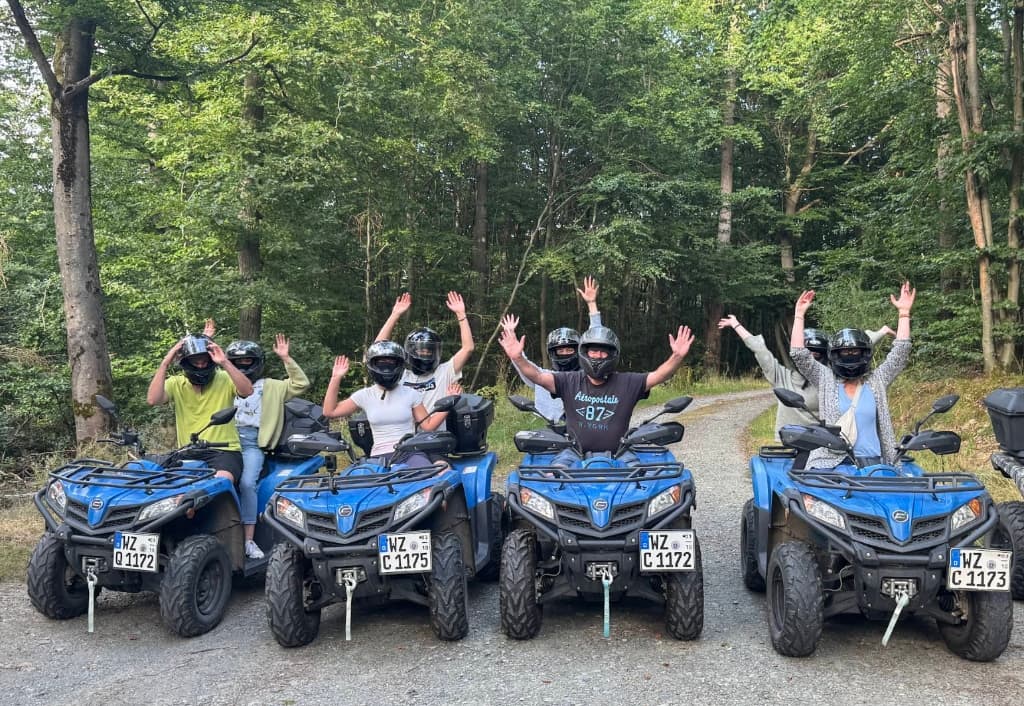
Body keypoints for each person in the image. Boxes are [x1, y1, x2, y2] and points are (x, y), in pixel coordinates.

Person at [499, 322, 695, 465]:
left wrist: (677, 357)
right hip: (574, 452)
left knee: (642, 485)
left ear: (613, 355)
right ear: (585, 353)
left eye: (604, 352)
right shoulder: (568, 380)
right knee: (549, 483)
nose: (598, 356)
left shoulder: (627, 382)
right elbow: (538, 376)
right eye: (593, 351)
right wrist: (518, 358)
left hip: (620, 453)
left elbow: (659, 375)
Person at [788, 283, 915, 469]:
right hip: (832, 463)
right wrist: (799, 315)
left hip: (874, 465)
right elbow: (799, 354)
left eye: (855, 351)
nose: (850, 355)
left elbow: (900, 353)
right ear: (834, 354)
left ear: (865, 353)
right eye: (845, 352)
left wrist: (904, 314)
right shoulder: (826, 379)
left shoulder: (876, 380)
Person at [717, 315, 896, 438]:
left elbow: (850, 348)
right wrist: (736, 324)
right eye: (806, 354)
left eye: (815, 354)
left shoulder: (829, 378)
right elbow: (759, 349)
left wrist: (880, 332)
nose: (809, 359)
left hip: (824, 444)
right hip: (789, 443)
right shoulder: (781, 376)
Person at [218, 332, 310, 560]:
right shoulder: (224, 382)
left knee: (248, 483)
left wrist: (286, 358)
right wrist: (208, 342)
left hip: (252, 443)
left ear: (257, 363)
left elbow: (301, 384)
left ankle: (248, 540)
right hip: (222, 438)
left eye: (247, 361)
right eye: (237, 362)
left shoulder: (271, 386)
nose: (242, 366)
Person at [322, 341, 460, 468]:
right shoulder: (365, 395)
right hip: (378, 457)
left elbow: (428, 426)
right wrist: (336, 378)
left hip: (409, 452)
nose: (386, 365)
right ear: (373, 365)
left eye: (391, 362)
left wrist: (448, 402)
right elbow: (330, 412)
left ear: (399, 365)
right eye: (382, 362)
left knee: (429, 479)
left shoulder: (410, 394)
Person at [146, 334, 253, 485]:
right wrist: (165, 363)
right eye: (196, 361)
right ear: (186, 362)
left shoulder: (224, 378)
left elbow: (247, 390)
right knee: (171, 491)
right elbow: (152, 400)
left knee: (219, 483)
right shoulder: (176, 383)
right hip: (187, 451)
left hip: (224, 451)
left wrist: (225, 362)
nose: (201, 365)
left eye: (204, 361)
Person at [501, 275, 604, 421]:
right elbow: (526, 368)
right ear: (553, 353)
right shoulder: (545, 378)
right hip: (556, 435)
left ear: (579, 350)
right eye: (561, 351)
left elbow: (597, 339)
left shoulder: (589, 375)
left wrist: (592, 305)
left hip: (588, 430)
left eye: (569, 350)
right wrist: (515, 354)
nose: (565, 354)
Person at [375, 291, 474, 411]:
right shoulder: (400, 375)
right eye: (421, 351)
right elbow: (377, 350)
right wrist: (395, 315)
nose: (425, 353)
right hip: (406, 429)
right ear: (411, 351)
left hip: (437, 429)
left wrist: (461, 315)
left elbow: (468, 348)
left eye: (429, 351)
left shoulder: (444, 372)